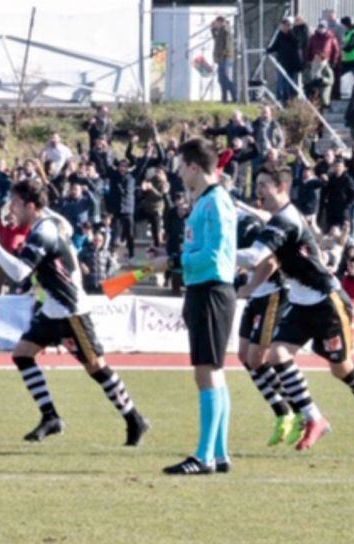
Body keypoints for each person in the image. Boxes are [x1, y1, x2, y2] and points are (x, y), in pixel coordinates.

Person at [0, 179, 148, 445]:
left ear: (30, 205)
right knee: (23, 355)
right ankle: (51, 417)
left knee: (96, 367)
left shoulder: (43, 232)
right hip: (52, 310)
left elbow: (20, 273)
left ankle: (134, 418)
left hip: (72, 311)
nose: (10, 209)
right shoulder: (45, 223)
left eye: (14, 203)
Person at [237, 166, 354, 454]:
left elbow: (255, 256)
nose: (259, 190)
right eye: (257, 184)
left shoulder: (287, 221)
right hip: (301, 302)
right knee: (278, 354)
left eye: (265, 184)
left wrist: (214, 254)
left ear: (282, 187)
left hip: (327, 302)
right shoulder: (278, 219)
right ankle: (314, 418)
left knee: (341, 369)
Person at [147, 139, 237, 476]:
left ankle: (204, 457)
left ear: (195, 167)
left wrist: (172, 262)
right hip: (206, 291)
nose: (179, 173)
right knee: (215, 372)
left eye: (182, 166)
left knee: (207, 373)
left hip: (210, 291)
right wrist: (169, 258)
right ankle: (219, 452)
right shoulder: (208, 202)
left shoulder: (215, 203)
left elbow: (213, 257)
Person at [232, 207, 296, 446]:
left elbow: (270, 262)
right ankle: (283, 409)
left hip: (272, 294)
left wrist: (248, 287)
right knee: (244, 356)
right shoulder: (231, 225)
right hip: (257, 296)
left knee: (258, 358)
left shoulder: (248, 226)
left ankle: (297, 409)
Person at [268, 18, 303, 103]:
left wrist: (289, 33)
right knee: (282, 83)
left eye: (285, 26)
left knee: (292, 84)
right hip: (282, 63)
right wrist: (268, 50)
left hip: (292, 64)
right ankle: (283, 99)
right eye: (282, 26)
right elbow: (275, 46)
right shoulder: (280, 35)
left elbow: (298, 43)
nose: (282, 28)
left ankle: (293, 100)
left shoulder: (293, 34)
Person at [212, 16, 236, 103]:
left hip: (226, 58)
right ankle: (224, 98)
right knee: (221, 79)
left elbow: (227, 46)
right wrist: (213, 30)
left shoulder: (226, 31)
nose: (216, 24)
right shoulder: (221, 31)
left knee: (226, 78)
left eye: (217, 23)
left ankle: (235, 96)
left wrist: (222, 56)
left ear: (221, 22)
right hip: (221, 59)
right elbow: (216, 40)